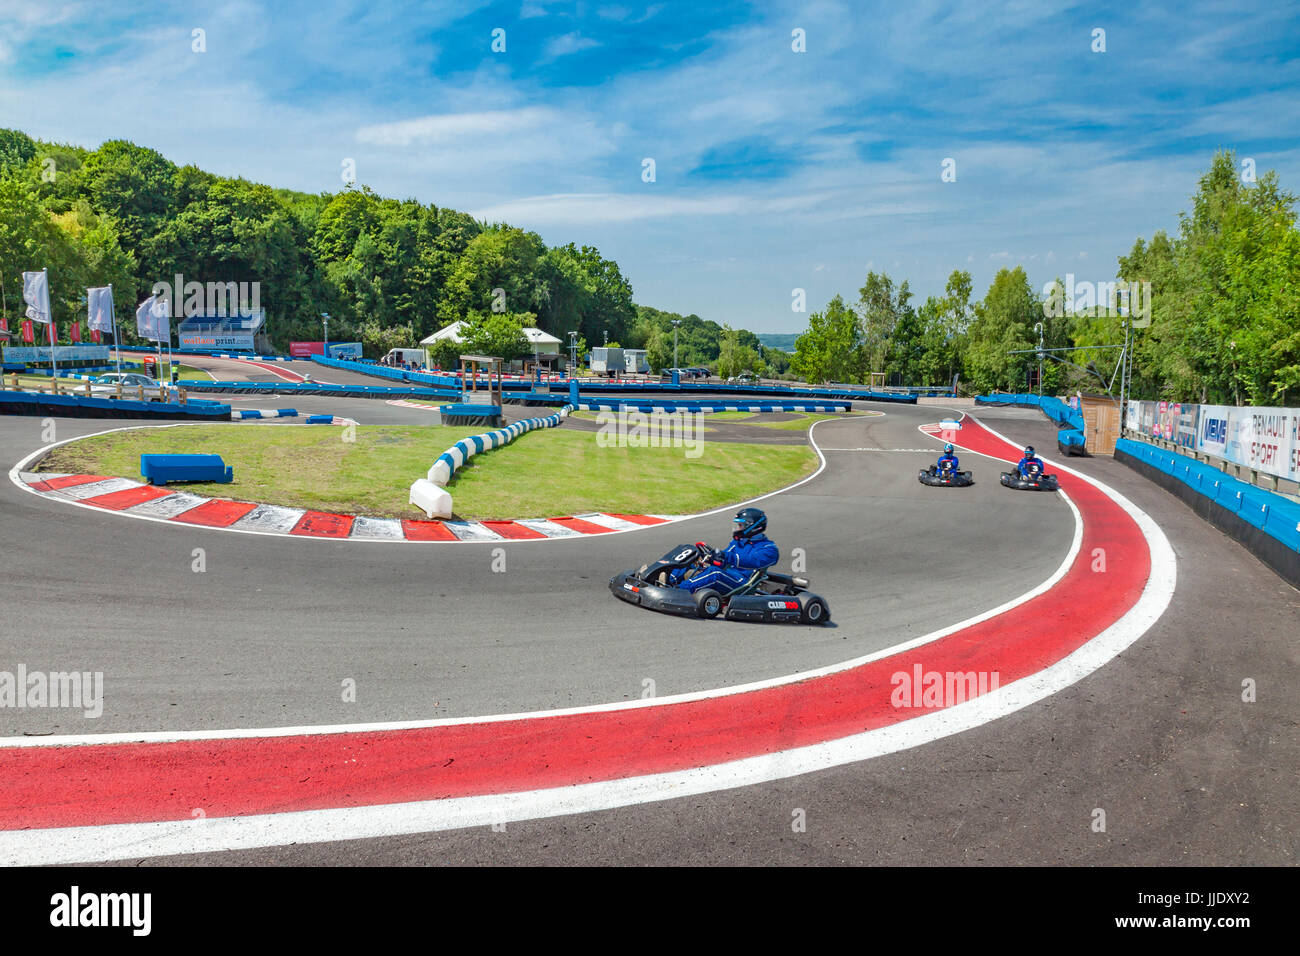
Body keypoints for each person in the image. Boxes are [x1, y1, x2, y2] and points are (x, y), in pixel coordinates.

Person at [671, 507, 779, 593]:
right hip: (727, 574)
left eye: (741, 525)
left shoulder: (769, 549)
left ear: (753, 527)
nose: (738, 528)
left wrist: (725, 556)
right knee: (690, 558)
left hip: (740, 583)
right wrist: (711, 558)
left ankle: (678, 591)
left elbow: (752, 561)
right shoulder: (738, 543)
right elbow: (724, 561)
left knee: (715, 573)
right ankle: (668, 580)